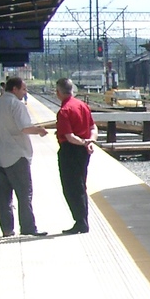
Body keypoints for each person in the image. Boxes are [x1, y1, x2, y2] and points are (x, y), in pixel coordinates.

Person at [0, 76, 48, 237]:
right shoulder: (16, 105)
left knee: (4, 196)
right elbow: (24, 128)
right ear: (15, 89)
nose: (25, 92)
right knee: (25, 193)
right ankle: (28, 227)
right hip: (16, 155)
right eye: (23, 89)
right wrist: (39, 130)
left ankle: (7, 229)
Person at [54, 77, 97, 235]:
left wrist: (84, 142)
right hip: (83, 153)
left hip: (69, 151)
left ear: (58, 92)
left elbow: (70, 136)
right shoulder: (83, 105)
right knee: (80, 185)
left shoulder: (64, 111)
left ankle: (80, 222)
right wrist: (90, 141)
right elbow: (93, 127)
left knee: (71, 187)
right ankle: (83, 220)